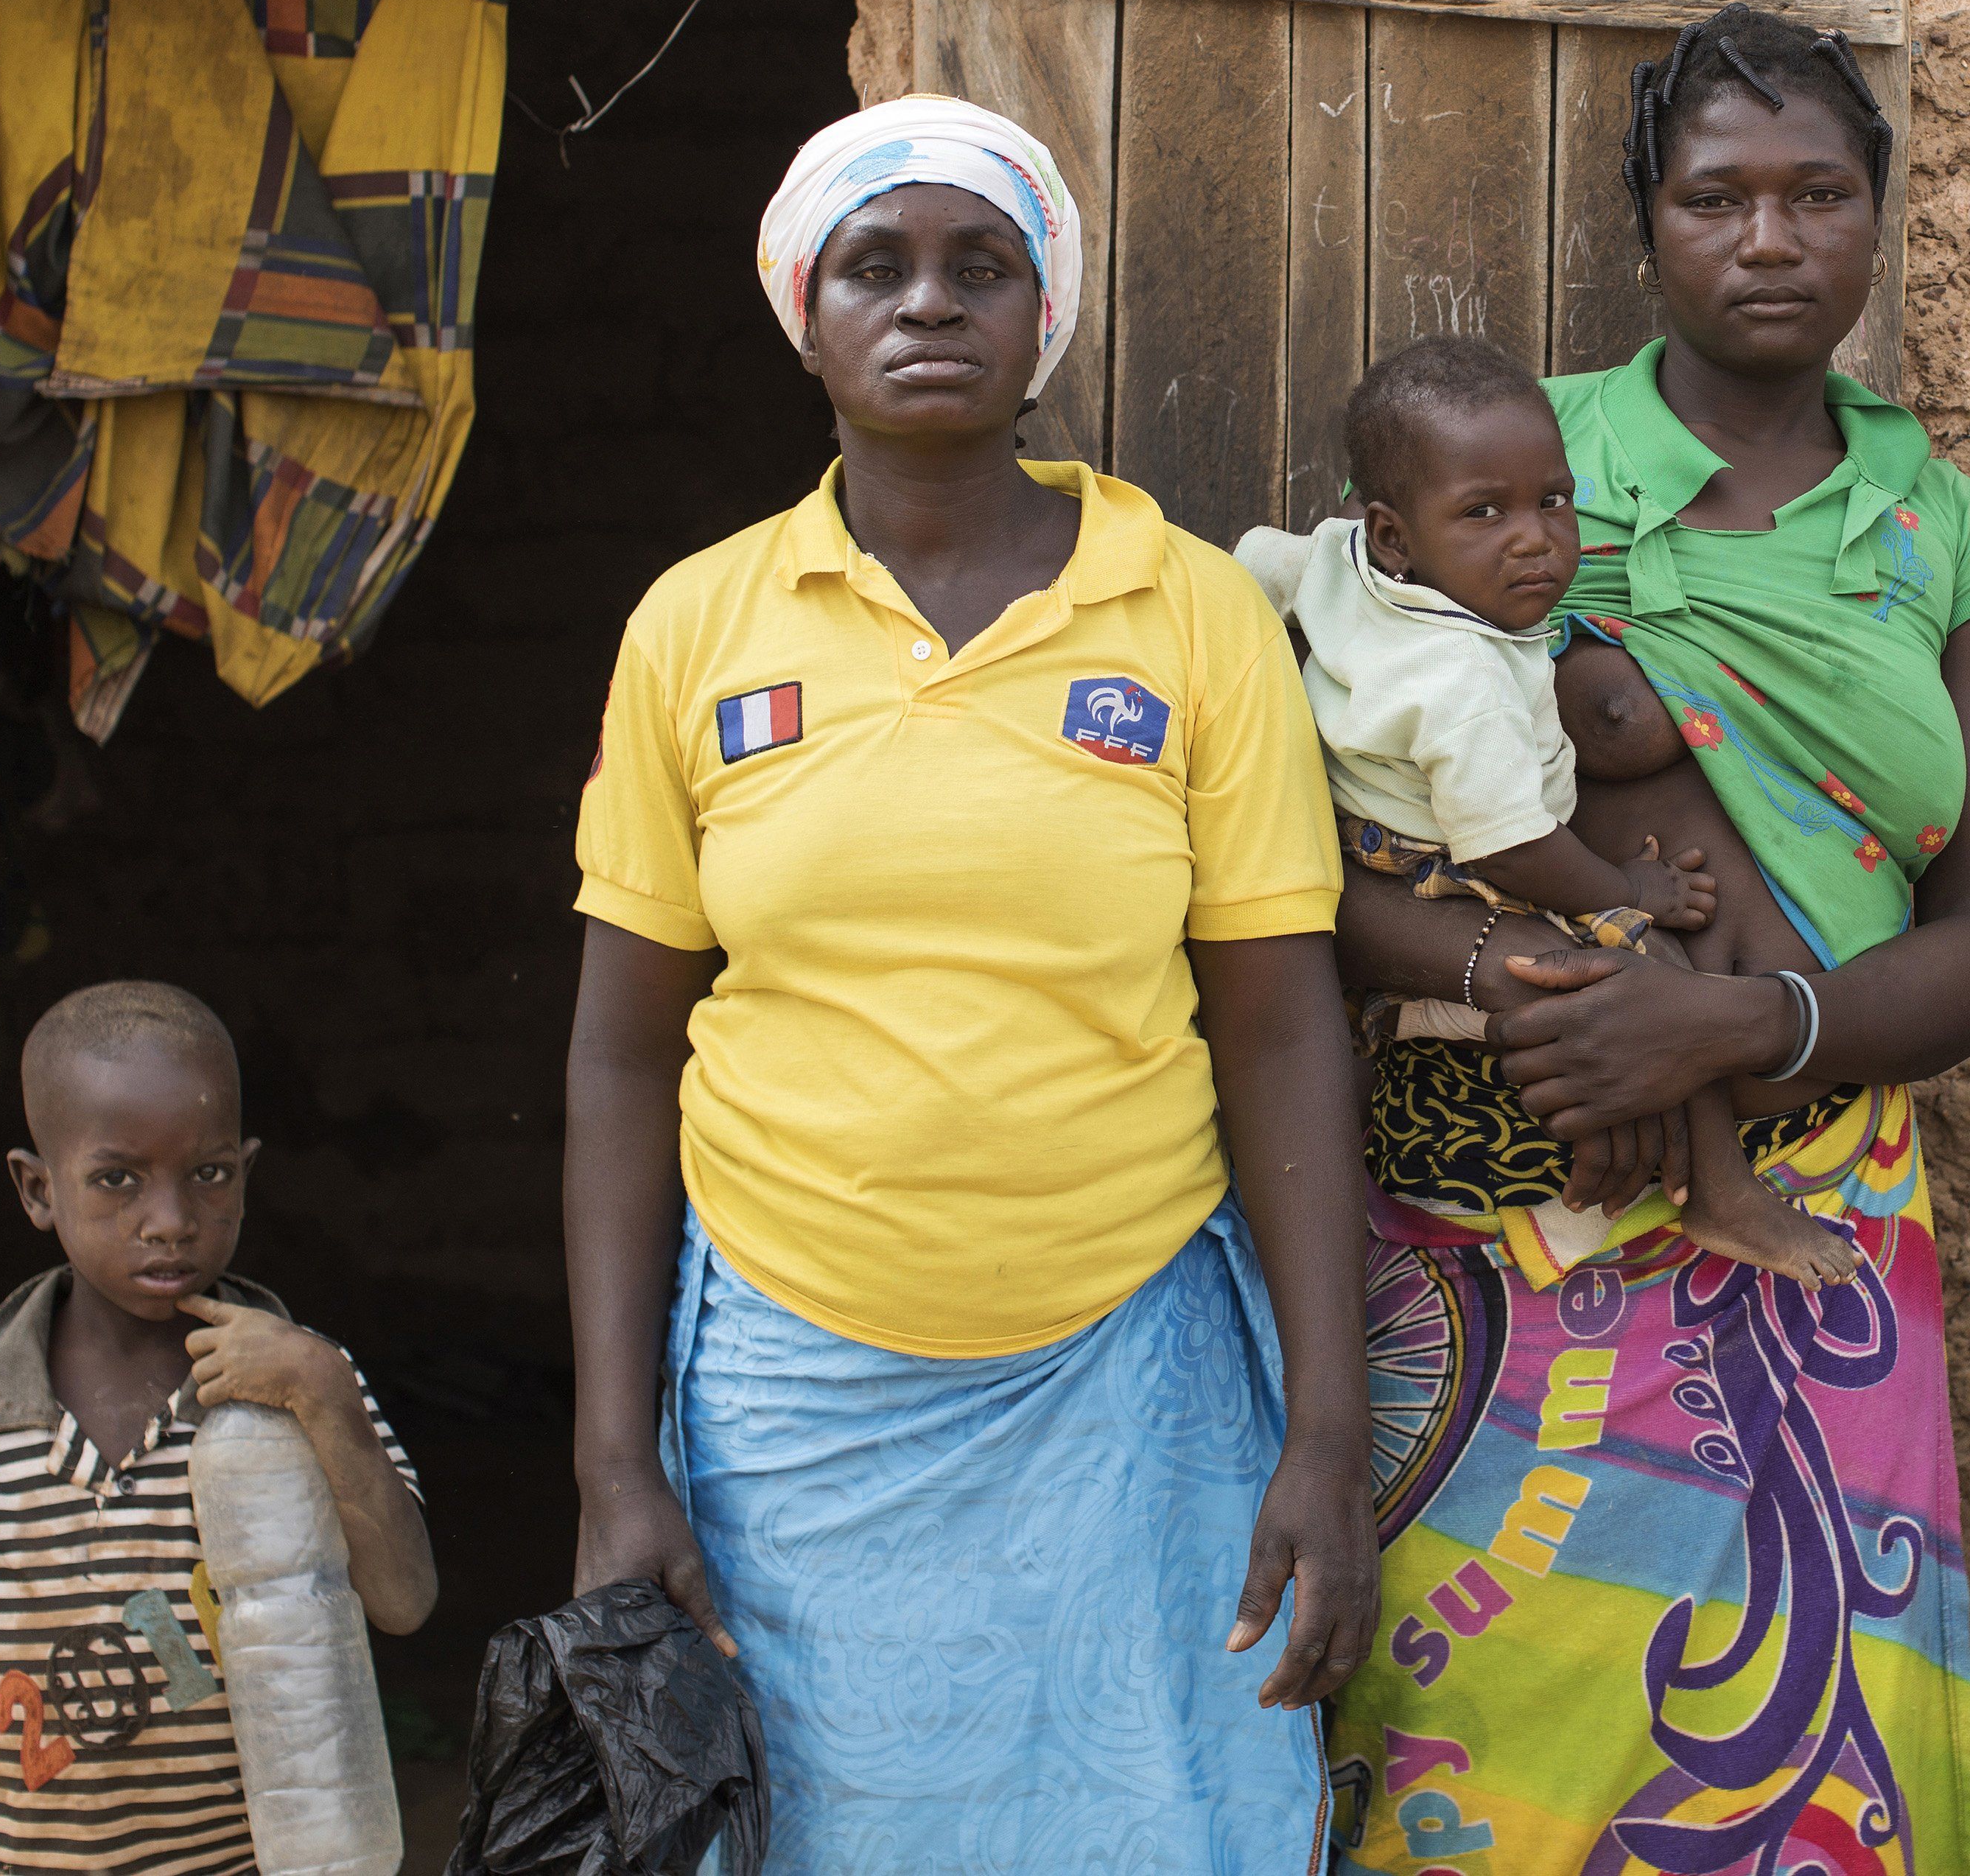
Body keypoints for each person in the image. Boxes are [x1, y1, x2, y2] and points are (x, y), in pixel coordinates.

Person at [559, 96, 1375, 1871]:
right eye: (878, 265)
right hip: (790, 1405)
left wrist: (1327, 1435)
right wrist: (611, 1464)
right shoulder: (697, 626)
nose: (929, 303)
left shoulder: (1188, 615)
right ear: (808, 314)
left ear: (1042, 318)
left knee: (1150, 1816)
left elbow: (1281, 1025)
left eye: (978, 266)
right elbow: (620, 1063)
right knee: (818, 1825)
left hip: (1130, 1380)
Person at [1321, 6, 1970, 1875]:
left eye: (1819, 194)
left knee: (1810, 1757)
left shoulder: (1942, 524)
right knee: (1489, 1735)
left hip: (1820, 1193)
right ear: (1646, 224)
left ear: (1879, 218)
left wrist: (1723, 1032)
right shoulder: (1509, 458)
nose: (1770, 237)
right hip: (1510, 1206)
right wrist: (1582, 1009)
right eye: (1715, 196)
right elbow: (1328, 807)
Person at [1232, 334, 1860, 1289]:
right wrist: (1626, 892)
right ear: (1395, 534)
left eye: (1551, 501)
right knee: (1649, 983)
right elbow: (1517, 846)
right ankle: (1723, 1192)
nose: (1532, 536)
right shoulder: (1461, 677)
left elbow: (1246, 567)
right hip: (1451, 863)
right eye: (1483, 512)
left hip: (1370, 845)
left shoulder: (1334, 558)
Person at [0, 981, 432, 1876]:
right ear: (38, 1190)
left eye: (209, 1174)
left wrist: (324, 1393)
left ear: (247, 1172)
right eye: (117, 1179)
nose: (171, 1221)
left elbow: (404, 1599)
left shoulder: (299, 1387)